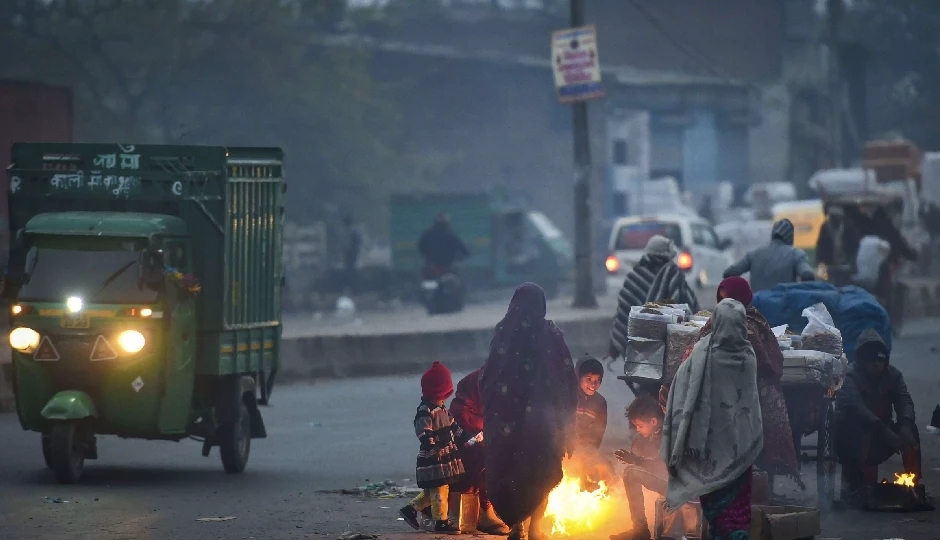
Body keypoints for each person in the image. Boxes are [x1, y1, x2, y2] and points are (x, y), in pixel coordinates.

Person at [660, 277, 803, 489]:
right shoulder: (712, 325)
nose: (725, 304)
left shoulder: (753, 326)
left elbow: (767, 364)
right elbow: (691, 361)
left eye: (730, 299)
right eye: (722, 299)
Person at [481, 283, 579, 540]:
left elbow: (488, 378)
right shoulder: (551, 335)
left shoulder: (503, 333)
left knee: (512, 474)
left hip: (507, 425)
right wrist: (568, 423)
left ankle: (517, 528)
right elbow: (567, 378)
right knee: (540, 473)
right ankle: (535, 529)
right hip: (542, 425)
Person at [661, 299, 763, 540]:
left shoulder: (702, 352)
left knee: (716, 507)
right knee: (737, 510)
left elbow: (681, 388)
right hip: (739, 445)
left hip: (707, 446)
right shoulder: (748, 356)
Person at [836, 329, 921, 507]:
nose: (877, 365)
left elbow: (904, 400)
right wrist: (883, 431)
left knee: (910, 431)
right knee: (857, 429)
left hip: (885, 434)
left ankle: (913, 485)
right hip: (854, 439)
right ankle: (857, 486)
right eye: (872, 361)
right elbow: (856, 408)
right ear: (861, 361)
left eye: (880, 360)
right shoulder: (849, 376)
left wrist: (905, 423)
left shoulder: (893, 375)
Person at [400, 361, 475, 534]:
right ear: (441, 390)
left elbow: (454, 427)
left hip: (445, 456)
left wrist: (467, 437)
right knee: (439, 489)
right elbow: (423, 431)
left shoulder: (442, 408)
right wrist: (431, 447)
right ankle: (440, 522)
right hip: (434, 457)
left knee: (437, 488)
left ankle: (411, 509)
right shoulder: (426, 410)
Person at [610, 396, 699, 540]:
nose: (638, 430)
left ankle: (640, 531)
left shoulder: (669, 433)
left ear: (653, 421)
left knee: (630, 473)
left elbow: (662, 466)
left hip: (684, 488)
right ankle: (640, 530)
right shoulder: (659, 431)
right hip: (679, 483)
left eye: (640, 426)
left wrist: (636, 460)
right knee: (631, 471)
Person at [608, 235, 701, 359]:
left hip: (638, 347)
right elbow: (688, 306)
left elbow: (623, 314)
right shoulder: (673, 275)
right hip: (671, 346)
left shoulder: (634, 277)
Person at [449, 369, 511, 535]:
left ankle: (490, 510)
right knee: (488, 461)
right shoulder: (461, 412)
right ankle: (484, 513)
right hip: (461, 470)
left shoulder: (484, 409)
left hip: (470, 467)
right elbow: (469, 445)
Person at [723, 219, 815, 293]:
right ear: (791, 237)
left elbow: (729, 273)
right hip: (785, 308)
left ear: (773, 234)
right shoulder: (796, 254)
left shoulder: (754, 254)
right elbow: (807, 275)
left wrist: (743, 293)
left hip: (758, 308)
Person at [571, 355, 612, 488]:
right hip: (565, 448)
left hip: (586, 448)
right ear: (578, 377)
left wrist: (590, 453)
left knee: (605, 470)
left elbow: (598, 433)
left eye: (597, 380)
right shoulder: (568, 396)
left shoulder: (600, 403)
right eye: (588, 379)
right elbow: (559, 424)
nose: (593, 384)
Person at [816, 206, 860, 281]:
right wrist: (820, 262)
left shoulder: (849, 226)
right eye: (831, 216)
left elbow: (854, 246)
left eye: (835, 216)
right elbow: (820, 246)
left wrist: (853, 262)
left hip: (846, 263)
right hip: (830, 264)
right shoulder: (825, 227)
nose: (832, 219)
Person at [418, 213, 470, 278]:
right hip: (448, 264)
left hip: (432, 264)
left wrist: (427, 255)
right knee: (455, 279)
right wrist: (466, 253)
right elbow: (460, 246)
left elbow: (421, 246)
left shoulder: (428, 234)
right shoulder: (451, 234)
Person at [341, 213, 362, 295]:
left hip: (351, 254)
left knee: (351, 271)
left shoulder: (351, 231)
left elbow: (352, 244)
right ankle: (353, 289)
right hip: (351, 254)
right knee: (351, 271)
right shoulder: (352, 231)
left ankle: (354, 289)